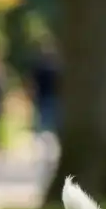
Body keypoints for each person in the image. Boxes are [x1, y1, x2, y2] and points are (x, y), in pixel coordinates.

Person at [27, 36, 60, 164]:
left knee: (45, 126)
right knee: (47, 126)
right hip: (47, 99)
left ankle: (47, 151)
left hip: (46, 99)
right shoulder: (52, 67)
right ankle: (47, 152)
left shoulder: (44, 66)